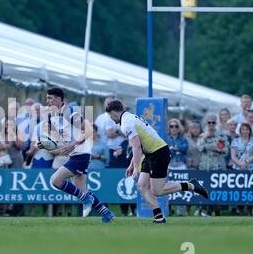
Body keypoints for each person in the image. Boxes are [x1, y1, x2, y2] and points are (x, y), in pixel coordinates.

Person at [106, 100, 209, 224]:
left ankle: (191, 185)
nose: (111, 119)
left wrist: (135, 168)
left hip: (158, 152)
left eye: (110, 116)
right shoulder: (130, 117)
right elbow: (140, 145)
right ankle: (159, 217)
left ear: (113, 112)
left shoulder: (126, 123)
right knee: (142, 185)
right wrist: (131, 165)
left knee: (157, 191)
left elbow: (136, 147)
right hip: (150, 153)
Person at [39, 88, 115, 223]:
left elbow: (89, 130)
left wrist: (73, 144)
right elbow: (62, 139)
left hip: (81, 155)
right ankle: (106, 213)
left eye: (49, 98)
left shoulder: (70, 113)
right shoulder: (56, 117)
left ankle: (86, 199)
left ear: (58, 99)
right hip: (76, 155)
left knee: (55, 181)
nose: (47, 101)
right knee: (82, 189)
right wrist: (47, 144)